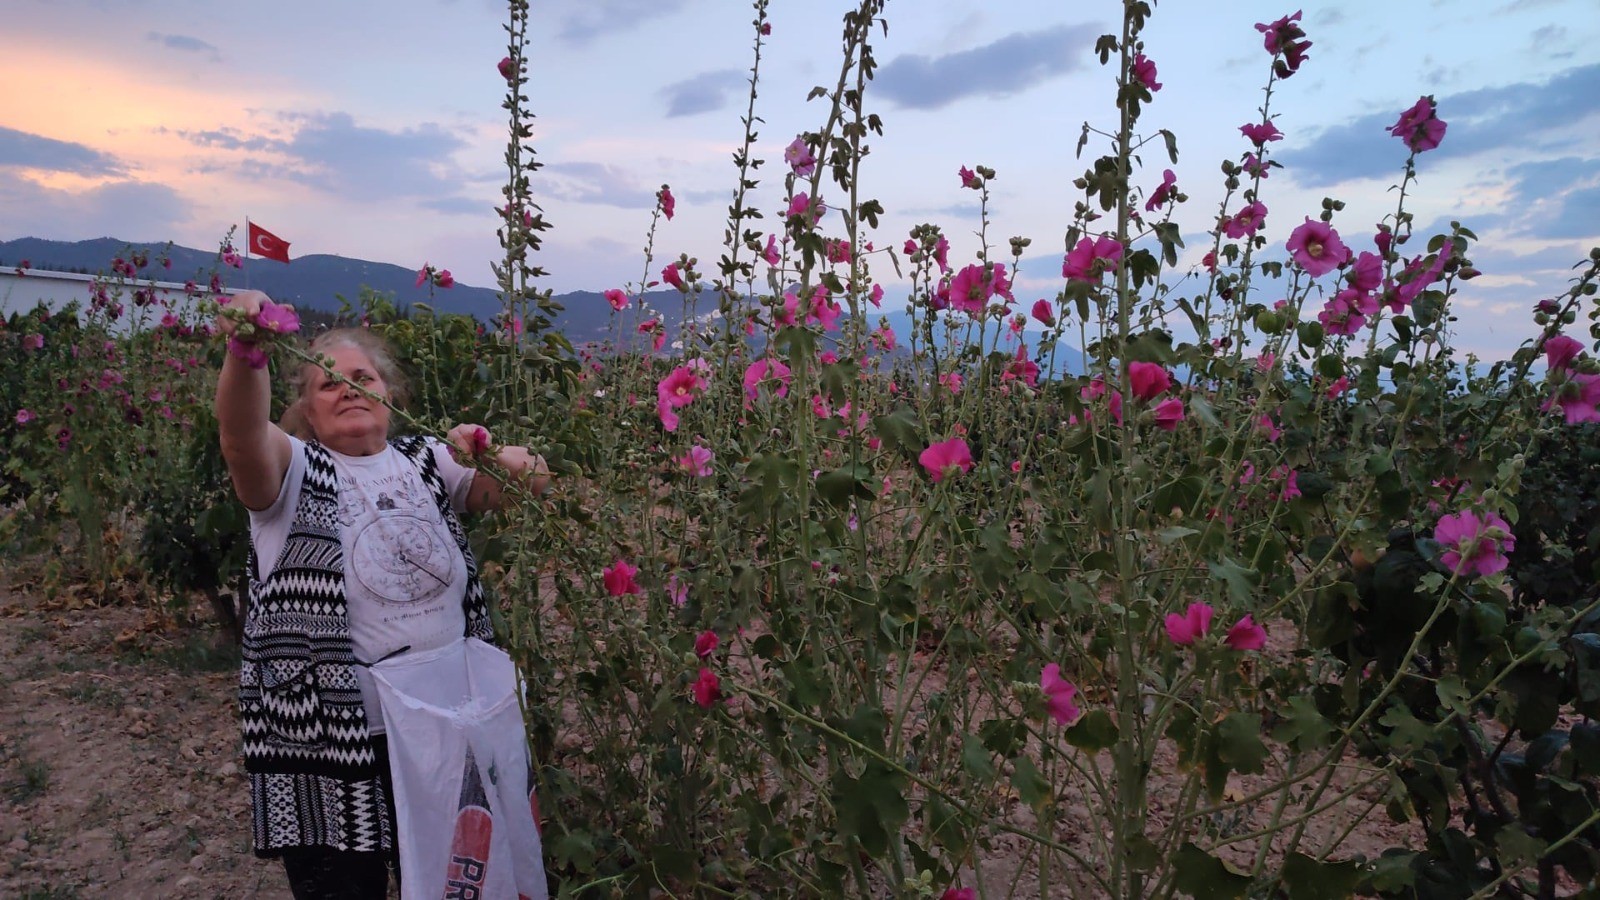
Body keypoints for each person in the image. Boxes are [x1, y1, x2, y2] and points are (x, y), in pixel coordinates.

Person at [214, 289, 548, 898]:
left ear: (388, 397)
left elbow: (533, 479)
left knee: (458, 880)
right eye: (327, 384)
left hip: (446, 730)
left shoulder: (427, 462)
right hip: (335, 745)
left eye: (362, 377)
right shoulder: (292, 473)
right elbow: (240, 437)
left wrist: (485, 449)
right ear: (307, 415)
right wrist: (246, 353)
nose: (347, 388)